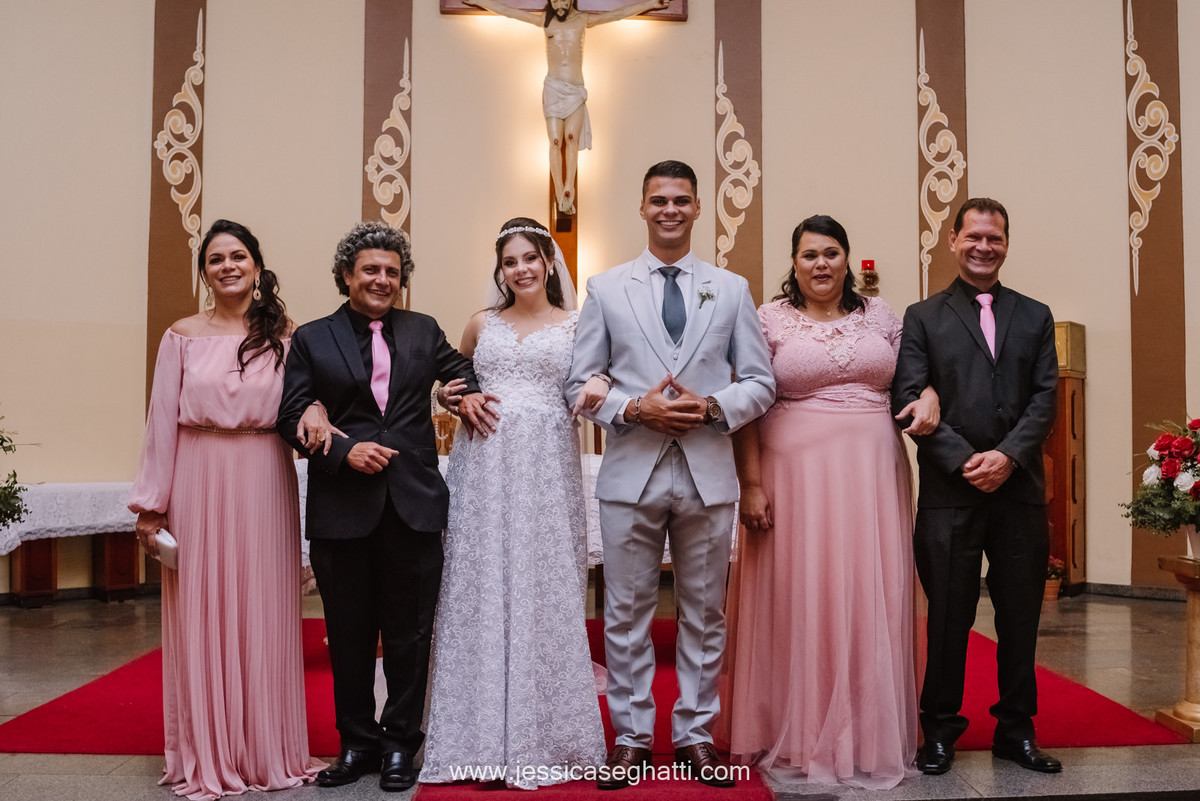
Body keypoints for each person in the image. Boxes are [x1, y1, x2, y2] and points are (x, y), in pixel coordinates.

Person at [565, 160, 775, 789]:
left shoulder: (731, 288)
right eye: (658, 200)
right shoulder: (605, 288)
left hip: (709, 472)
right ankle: (630, 738)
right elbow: (577, 384)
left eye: (681, 200)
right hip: (631, 470)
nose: (670, 211)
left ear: (697, 208)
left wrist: (715, 407)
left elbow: (761, 383)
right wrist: (635, 407)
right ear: (642, 207)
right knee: (626, 612)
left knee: (704, 612)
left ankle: (694, 736)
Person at [717, 215, 939, 789]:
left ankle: (866, 734)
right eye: (810, 254)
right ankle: (792, 730)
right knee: (801, 592)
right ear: (794, 262)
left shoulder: (882, 317)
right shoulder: (768, 320)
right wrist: (752, 483)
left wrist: (932, 390)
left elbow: (914, 378)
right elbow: (743, 406)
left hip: (872, 474)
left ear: (848, 260)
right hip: (793, 476)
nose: (821, 264)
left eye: (832, 253)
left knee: (867, 591)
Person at [276, 221, 496, 792]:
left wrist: (459, 392)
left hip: (413, 504)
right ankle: (357, 745)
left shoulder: (423, 329)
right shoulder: (312, 338)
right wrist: (343, 451)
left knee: (410, 634)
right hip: (342, 509)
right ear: (347, 275)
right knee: (347, 634)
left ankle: (402, 746)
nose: (382, 280)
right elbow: (291, 413)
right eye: (370, 270)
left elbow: (461, 372)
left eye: (393, 273)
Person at [130, 219, 327, 800]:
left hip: (266, 474)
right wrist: (151, 506)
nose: (228, 266)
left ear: (257, 266)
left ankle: (268, 749)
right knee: (204, 611)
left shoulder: (287, 335)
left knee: (264, 608)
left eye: (238, 256)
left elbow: (310, 397)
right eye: (215, 259)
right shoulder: (181, 335)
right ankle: (209, 749)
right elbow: (160, 421)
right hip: (198, 476)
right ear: (205, 274)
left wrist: (315, 405)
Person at [421, 218, 607, 789]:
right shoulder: (481, 325)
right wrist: (450, 395)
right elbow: (450, 380)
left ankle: (544, 733)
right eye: (510, 262)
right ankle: (472, 737)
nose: (521, 269)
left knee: (541, 582)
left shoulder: (578, 325)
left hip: (545, 467)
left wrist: (599, 383)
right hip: (484, 467)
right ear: (498, 270)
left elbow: (592, 381)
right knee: (480, 583)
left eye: (531, 258)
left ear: (549, 263)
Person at [891, 198, 1060, 775]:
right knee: (948, 620)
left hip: (1019, 491)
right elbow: (908, 397)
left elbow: (1045, 399)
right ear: (953, 241)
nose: (984, 246)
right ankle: (938, 730)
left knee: (1019, 620)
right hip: (950, 494)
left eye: (995, 237)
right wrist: (966, 461)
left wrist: (1009, 457)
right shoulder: (922, 317)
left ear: (1007, 243)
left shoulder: (1035, 315)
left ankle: (1016, 730)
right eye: (974, 237)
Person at [463, 0, 670, 215]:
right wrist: (478, 1)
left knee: (571, 138)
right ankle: (559, 193)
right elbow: (508, 11)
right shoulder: (545, 20)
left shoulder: (583, 20)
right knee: (554, 141)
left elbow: (619, 13)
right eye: (555, 0)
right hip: (553, 87)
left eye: (563, 0)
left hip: (574, 89)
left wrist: (651, 3)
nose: (559, 4)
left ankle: (569, 188)